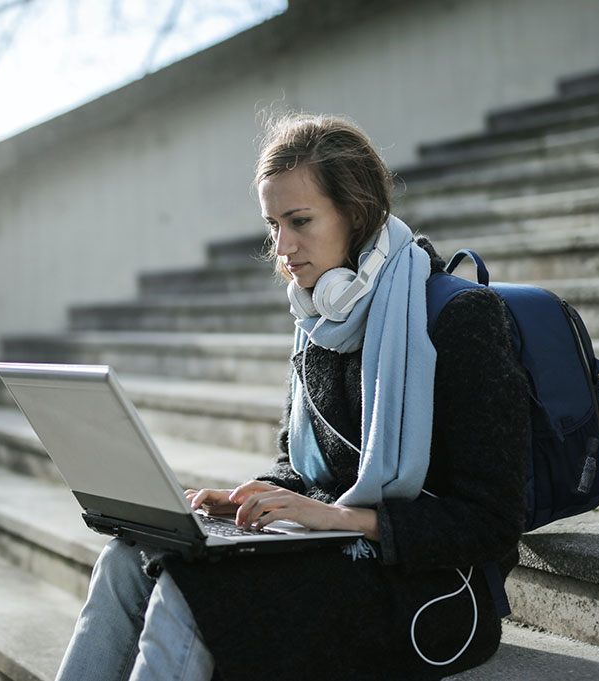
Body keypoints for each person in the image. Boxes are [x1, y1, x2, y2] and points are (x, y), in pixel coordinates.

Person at [54, 113, 529, 681]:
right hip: (329, 547)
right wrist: (248, 499)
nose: (282, 247)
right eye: (273, 224)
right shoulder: (318, 318)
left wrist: (339, 518)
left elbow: (494, 520)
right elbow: (301, 466)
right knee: (125, 559)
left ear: (356, 214)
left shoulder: (459, 318)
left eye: (300, 221)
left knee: (195, 591)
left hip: (431, 588)